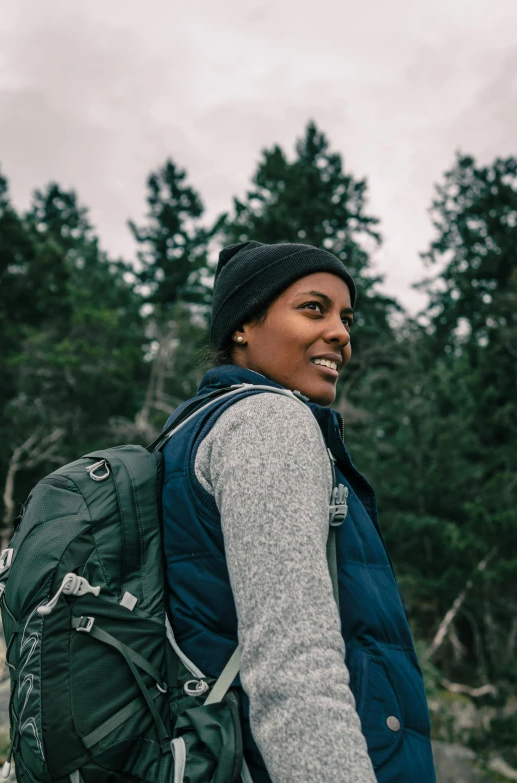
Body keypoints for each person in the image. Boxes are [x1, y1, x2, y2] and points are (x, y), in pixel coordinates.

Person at [162, 241, 436, 783]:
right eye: (314, 308)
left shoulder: (188, 431)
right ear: (243, 325)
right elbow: (295, 667)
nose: (342, 333)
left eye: (346, 317)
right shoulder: (268, 424)